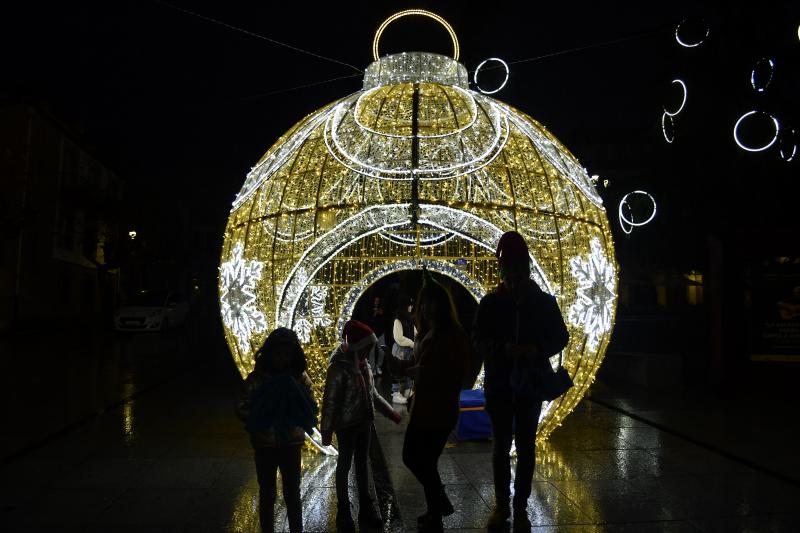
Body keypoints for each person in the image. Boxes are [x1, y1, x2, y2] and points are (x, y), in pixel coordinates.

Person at [472, 231, 569, 532]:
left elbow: (561, 337)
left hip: (529, 385)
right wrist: (502, 349)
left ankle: (520, 505)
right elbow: (477, 339)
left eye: (518, 275)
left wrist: (535, 349)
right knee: (501, 446)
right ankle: (503, 505)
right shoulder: (490, 304)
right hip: (501, 386)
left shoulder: (543, 302)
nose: (512, 282)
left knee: (525, 446)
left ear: (526, 272)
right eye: (508, 275)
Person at [391, 272, 471, 532]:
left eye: (431, 302)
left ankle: (439, 504)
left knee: (416, 459)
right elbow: (421, 364)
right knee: (423, 461)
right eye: (423, 302)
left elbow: (448, 373)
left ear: (443, 305)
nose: (425, 308)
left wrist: (415, 371)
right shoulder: (428, 331)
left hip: (438, 409)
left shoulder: (452, 335)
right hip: (424, 407)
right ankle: (435, 511)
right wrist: (406, 367)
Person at [320, 319, 403, 532]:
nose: (368, 353)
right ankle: (344, 510)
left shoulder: (363, 363)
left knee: (362, 463)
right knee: (345, 465)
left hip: (365, 422)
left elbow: (372, 394)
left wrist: (390, 412)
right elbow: (329, 402)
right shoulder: (338, 368)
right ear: (356, 346)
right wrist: (327, 430)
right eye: (366, 348)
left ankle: (366, 505)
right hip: (346, 426)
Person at [235, 328, 317, 533]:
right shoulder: (258, 378)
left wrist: (293, 415)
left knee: (292, 493)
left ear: (294, 355)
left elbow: (311, 405)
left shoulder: (300, 378)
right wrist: (262, 419)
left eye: (287, 355)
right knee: (267, 493)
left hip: (291, 443)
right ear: (269, 353)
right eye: (278, 354)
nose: (282, 359)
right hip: (265, 445)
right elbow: (241, 405)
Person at [391, 294, 416, 404]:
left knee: (409, 370)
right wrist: (411, 343)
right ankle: (395, 393)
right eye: (410, 305)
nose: (411, 307)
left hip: (409, 350)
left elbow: (415, 332)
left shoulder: (409, 319)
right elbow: (398, 337)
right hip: (400, 349)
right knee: (398, 371)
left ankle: (407, 390)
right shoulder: (398, 319)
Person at [366, 296, 386, 376]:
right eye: (375, 300)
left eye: (378, 300)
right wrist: (374, 313)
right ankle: (373, 369)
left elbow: (383, 316)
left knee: (382, 351)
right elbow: (368, 320)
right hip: (371, 333)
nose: (376, 302)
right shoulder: (369, 309)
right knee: (371, 352)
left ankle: (379, 366)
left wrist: (380, 312)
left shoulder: (382, 308)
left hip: (380, 333)